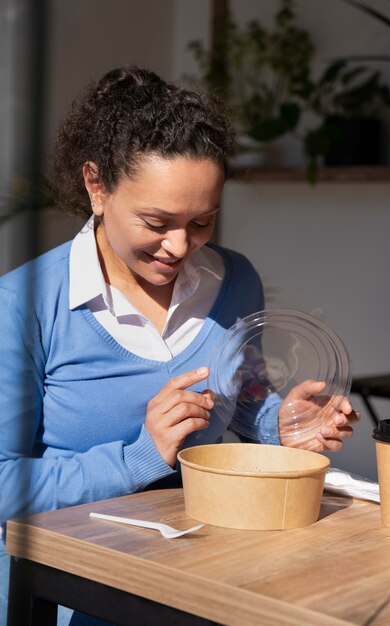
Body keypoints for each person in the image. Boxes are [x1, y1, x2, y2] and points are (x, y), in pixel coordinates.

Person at [0, 65, 358, 626]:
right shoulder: (24, 306)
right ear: (97, 186)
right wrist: (140, 457)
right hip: (69, 593)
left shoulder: (235, 280)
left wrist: (277, 423)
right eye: (157, 221)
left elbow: (242, 392)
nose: (179, 246)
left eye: (202, 221)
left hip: (204, 575)